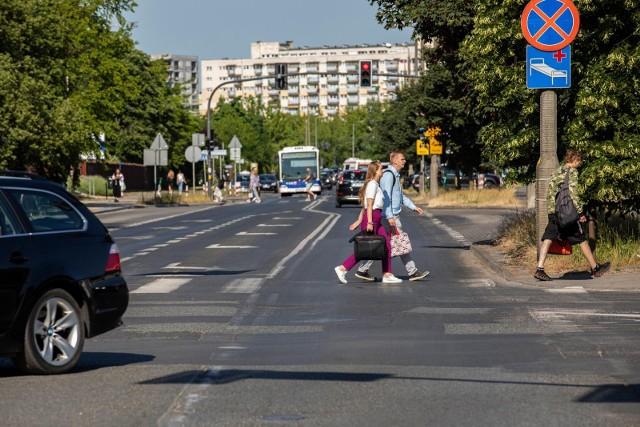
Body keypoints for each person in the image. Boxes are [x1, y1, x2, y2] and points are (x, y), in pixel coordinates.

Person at [534, 149, 610, 281]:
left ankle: (539, 268)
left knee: (548, 237)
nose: (580, 164)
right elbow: (573, 194)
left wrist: (551, 212)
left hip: (554, 211)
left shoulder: (556, 171)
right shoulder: (573, 172)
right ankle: (595, 268)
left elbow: (550, 193)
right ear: (575, 160)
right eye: (579, 161)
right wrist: (580, 212)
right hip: (567, 213)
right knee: (580, 238)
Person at [355, 151, 430, 282]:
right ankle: (412, 272)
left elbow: (400, 197)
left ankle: (363, 269)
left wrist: (413, 207)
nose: (404, 161)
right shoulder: (389, 176)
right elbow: (386, 198)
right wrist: (390, 216)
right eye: (402, 159)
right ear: (395, 161)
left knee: (383, 244)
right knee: (398, 243)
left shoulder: (394, 175)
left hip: (390, 215)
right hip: (389, 216)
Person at [334, 161, 401, 284]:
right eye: (381, 169)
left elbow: (365, 207)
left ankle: (387, 274)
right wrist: (369, 222)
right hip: (372, 219)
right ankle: (342, 268)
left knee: (387, 245)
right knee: (365, 249)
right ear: (375, 171)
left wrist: (359, 220)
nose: (383, 171)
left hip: (376, 219)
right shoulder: (372, 185)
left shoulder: (375, 184)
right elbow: (369, 204)